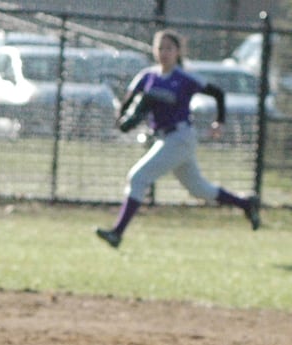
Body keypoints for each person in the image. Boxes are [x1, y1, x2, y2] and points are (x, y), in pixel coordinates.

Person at [96, 29, 261, 250]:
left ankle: (117, 233)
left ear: (178, 51)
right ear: (155, 50)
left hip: (180, 137)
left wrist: (219, 121)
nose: (164, 52)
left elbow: (218, 93)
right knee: (200, 190)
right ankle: (246, 203)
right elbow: (129, 102)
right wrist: (122, 118)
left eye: (169, 48)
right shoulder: (148, 76)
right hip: (164, 138)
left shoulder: (184, 77)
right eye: (160, 48)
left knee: (138, 177)